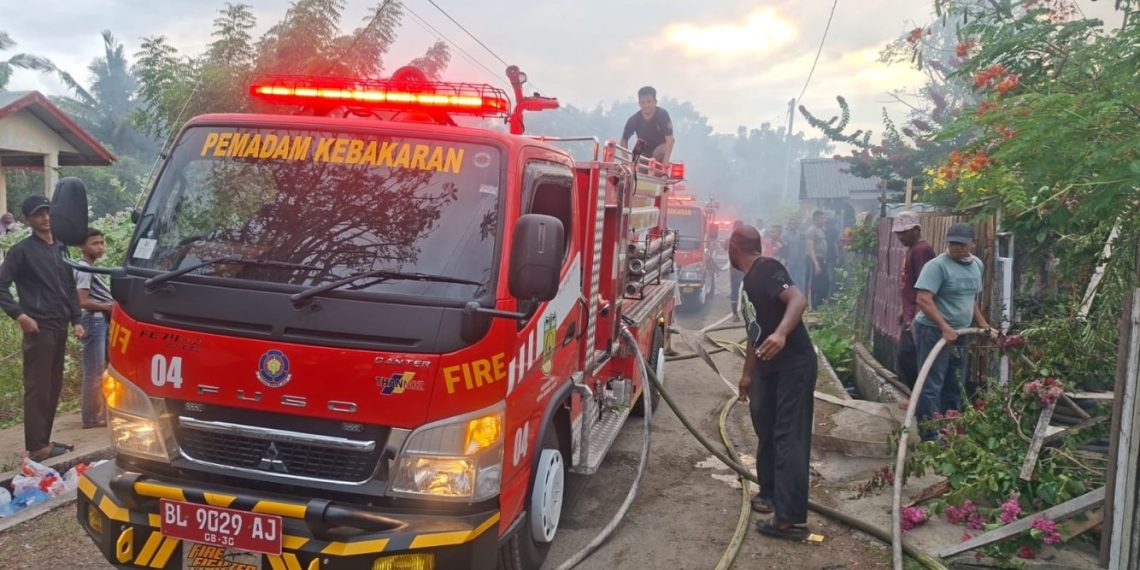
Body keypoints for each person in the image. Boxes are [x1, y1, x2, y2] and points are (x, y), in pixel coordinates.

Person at [730, 225, 816, 541]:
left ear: (733, 246)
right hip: (768, 366)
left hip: (794, 364)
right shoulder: (748, 281)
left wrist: (781, 334)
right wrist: (748, 374)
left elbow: (797, 299)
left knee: (787, 435)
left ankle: (790, 518)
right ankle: (768, 494)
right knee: (765, 426)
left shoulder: (767, 269)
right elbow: (755, 332)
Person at [0, 194, 85, 461]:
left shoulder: (60, 247)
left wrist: (77, 319)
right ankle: (36, 446)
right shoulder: (22, 251)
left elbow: (70, 287)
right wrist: (20, 315)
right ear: (26, 219)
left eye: (47, 212)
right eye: (38, 214)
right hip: (38, 327)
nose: (45, 218)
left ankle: (44, 441)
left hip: (59, 324)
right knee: (38, 387)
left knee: (53, 385)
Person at [913, 223, 997, 440]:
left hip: (960, 333)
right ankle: (930, 435)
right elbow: (923, 299)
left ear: (973, 243)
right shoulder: (937, 266)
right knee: (933, 383)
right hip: (933, 332)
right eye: (952, 243)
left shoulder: (976, 265)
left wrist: (983, 324)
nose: (956, 247)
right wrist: (945, 328)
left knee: (955, 380)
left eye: (961, 243)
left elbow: (971, 300)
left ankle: (950, 429)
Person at [892, 212, 936, 389]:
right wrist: (904, 309)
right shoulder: (912, 250)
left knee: (910, 358)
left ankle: (919, 400)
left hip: (918, 316)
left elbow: (926, 286)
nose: (901, 236)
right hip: (910, 313)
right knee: (907, 357)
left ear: (917, 230)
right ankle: (915, 398)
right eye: (898, 233)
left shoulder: (921, 251)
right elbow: (910, 283)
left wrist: (917, 314)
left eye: (905, 232)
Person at [75, 228, 113, 429]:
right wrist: (109, 306)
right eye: (95, 243)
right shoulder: (84, 269)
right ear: (82, 247)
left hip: (101, 320)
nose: (100, 247)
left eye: (101, 243)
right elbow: (82, 300)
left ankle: (101, 412)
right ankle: (91, 417)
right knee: (94, 370)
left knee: (106, 368)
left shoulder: (91, 267)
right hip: (93, 320)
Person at [620, 86, 674, 165]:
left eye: (649, 102)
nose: (646, 105)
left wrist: (666, 160)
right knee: (635, 160)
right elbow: (624, 140)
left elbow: (670, 140)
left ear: (655, 102)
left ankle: (660, 165)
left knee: (656, 153)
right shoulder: (634, 119)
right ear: (639, 103)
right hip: (643, 148)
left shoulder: (663, 115)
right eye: (643, 102)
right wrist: (625, 159)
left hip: (661, 146)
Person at [805, 211, 830, 309]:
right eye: (823, 218)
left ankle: (819, 305)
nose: (825, 220)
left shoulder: (821, 230)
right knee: (813, 283)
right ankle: (811, 306)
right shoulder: (811, 230)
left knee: (824, 283)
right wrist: (816, 264)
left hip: (821, 259)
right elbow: (810, 248)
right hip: (813, 259)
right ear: (817, 219)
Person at [728, 220, 746, 320]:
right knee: (738, 292)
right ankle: (736, 314)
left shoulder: (732, 239)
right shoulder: (747, 239)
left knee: (738, 292)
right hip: (740, 270)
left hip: (740, 270)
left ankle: (737, 314)